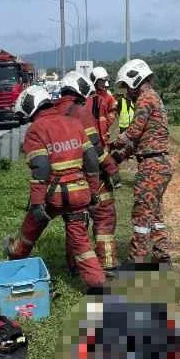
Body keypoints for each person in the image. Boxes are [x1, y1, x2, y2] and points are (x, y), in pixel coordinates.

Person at [2, 85, 105, 290]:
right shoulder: (74, 123)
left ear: (31, 108)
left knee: (30, 229)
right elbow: (92, 160)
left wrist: (38, 204)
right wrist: (93, 191)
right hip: (79, 193)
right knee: (81, 242)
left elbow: (41, 168)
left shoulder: (36, 129)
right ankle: (97, 283)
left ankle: (14, 260)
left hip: (53, 197)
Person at [57, 70, 121, 274]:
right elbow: (94, 146)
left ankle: (75, 265)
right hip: (90, 174)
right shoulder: (81, 110)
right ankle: (107, 261)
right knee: (104, 214)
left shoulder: (53, 112)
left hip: (66, 178)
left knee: (75, 221)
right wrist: (111, 167)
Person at [110, 59, 171, 264]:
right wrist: (120, 155)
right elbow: (141, 138)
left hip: (151, 166)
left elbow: (134, 132)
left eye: (127, 86)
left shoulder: (145, 99)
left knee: (141, 216)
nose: (127, 92)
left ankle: (136, 261)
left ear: (135, 81)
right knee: (155, 214)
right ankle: (161, 253)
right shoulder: (155, 98)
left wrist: (115, 144)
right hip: (161, 164)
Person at [88, 66, 118, 145]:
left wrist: (107, 122)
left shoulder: (108, 96)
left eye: (104, 81)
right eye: (101, 81)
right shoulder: (88, 96)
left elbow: (113, 110)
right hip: (90, 133)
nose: (104, 84)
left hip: (104, 134)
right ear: (95, 81)